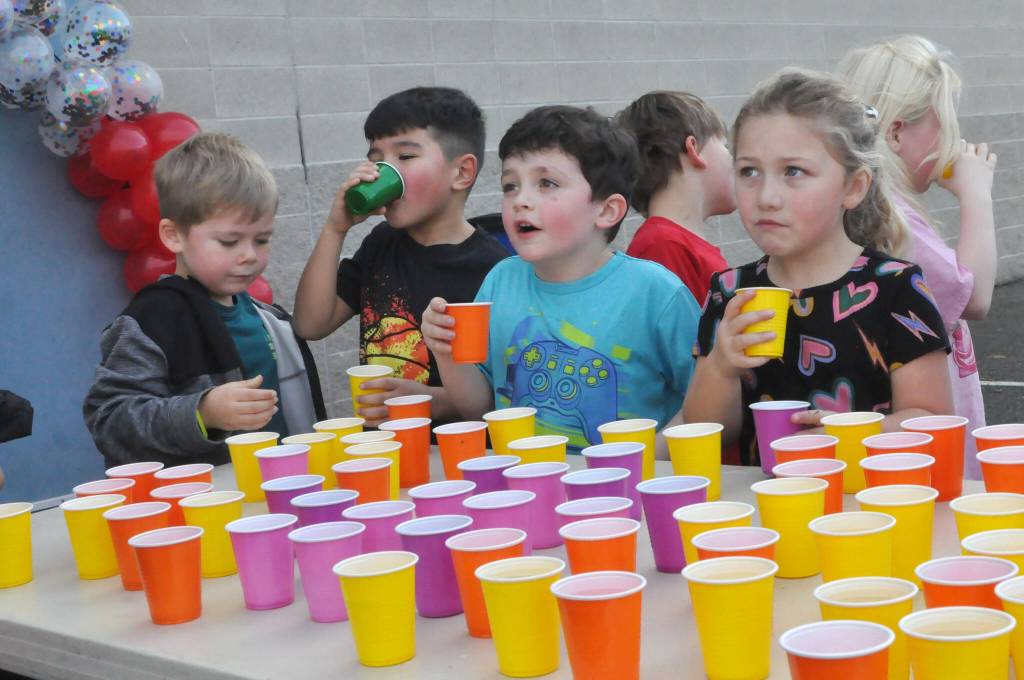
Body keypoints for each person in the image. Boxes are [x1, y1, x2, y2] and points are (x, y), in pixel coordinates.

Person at [682, 69, 954, 466]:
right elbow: (709, 432)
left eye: (793, 171)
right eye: (748, 171)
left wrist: (850, 434)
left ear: (853, 187)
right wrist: (720, 368)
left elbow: (933, 420)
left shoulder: (897, 288)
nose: (767, 197)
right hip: (769, 500)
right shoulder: (730, 292)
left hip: (872, 496)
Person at [421, 105, 700, 453]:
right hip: (524, 477)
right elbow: (480, 408)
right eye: (510, 186)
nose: (521, 200)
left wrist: (645, 458)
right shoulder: (501, 281)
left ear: (607, 210)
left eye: (546, 183)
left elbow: (703, 402)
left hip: (626, 480)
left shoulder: (657, 294)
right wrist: (446, 352)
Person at [84, 133, 325, 468]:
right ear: (173, 236)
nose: (249, 255)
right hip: (206, 497)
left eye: (261, 240)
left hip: (280, 484)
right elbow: (110, 421)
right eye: (229, 241)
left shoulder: (270, 319)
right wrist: (203, 412)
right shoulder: (151, 320)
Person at [293, 87, 508, 426]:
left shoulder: (495, 269)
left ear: (461, 172)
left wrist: (432, 401)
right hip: (384, 447)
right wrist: (335, 228)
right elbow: (310, 324)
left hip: (455, 450)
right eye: (376, 158)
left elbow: (500, 395)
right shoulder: (381, 243)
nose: (382, 171)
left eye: (405, 156)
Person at [838, 35, 997, 478]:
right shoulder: (896, 221)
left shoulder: (878, 209)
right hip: (926, 448)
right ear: (894, 133)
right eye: (944, 126)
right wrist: (977, 195)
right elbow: (976, 297)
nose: (954, 141)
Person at [615, 91, 735, 301]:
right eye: (725, 147)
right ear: (694, 149)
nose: (734, 159)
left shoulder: (673, 243)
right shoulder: (663, 246)